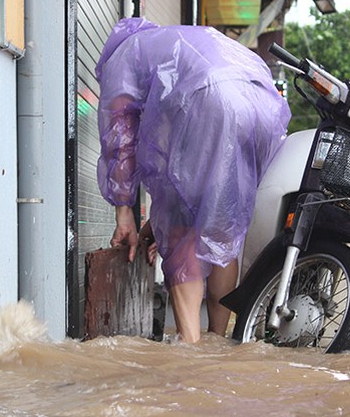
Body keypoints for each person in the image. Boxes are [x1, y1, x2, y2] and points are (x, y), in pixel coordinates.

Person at [95, 18, 290, 343]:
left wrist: (124, 211)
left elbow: (121, 140)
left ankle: (189, 348)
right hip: (262, 106)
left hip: (210, 98)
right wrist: (157, 218)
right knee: (222, 231)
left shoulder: (125, 55)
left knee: (182, 229)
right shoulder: (178, 42)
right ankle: (219, 340)